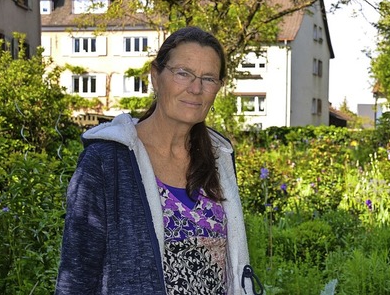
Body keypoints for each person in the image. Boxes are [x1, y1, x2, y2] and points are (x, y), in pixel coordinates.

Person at [55, 26, 262, 294]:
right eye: (183, 73)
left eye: (208, 78)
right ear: (156, 76)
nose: (196, 88)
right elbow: (77, 276)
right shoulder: (106, 162)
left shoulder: (218, 159)